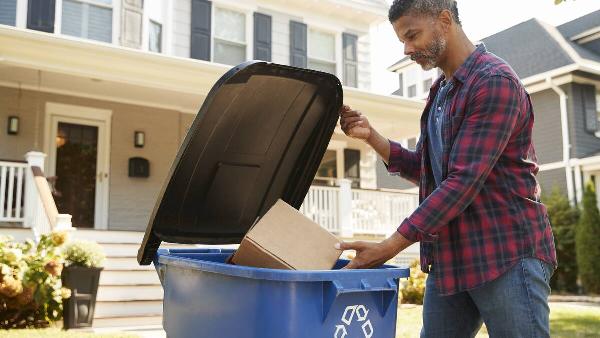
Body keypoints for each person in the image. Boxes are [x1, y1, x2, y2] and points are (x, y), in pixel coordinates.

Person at [336, 0, 557, 336]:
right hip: (453, 256)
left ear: (444, 20)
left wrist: (389, 247)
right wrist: (372, 137)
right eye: (402, 41)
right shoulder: (440, 91)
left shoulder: (493, 82)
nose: (408, 49)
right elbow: (429, 172)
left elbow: (462, 182)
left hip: (507, 253)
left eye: (413, 35)